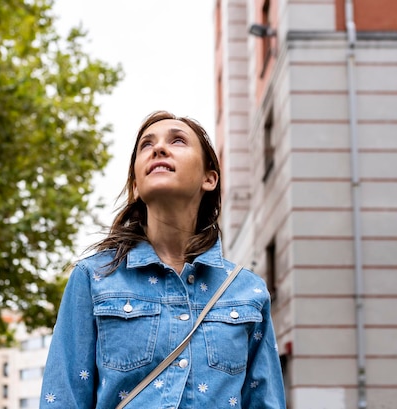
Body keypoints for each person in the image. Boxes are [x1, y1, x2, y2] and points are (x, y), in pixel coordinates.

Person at [39, 110, 286, 408]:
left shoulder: (249, 292)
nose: (158, 148)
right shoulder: (93, 278)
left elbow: (265, 402)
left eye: (178, 141)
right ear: (135, 185)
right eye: (146, 144)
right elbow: (63, 398)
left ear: (209, 178)